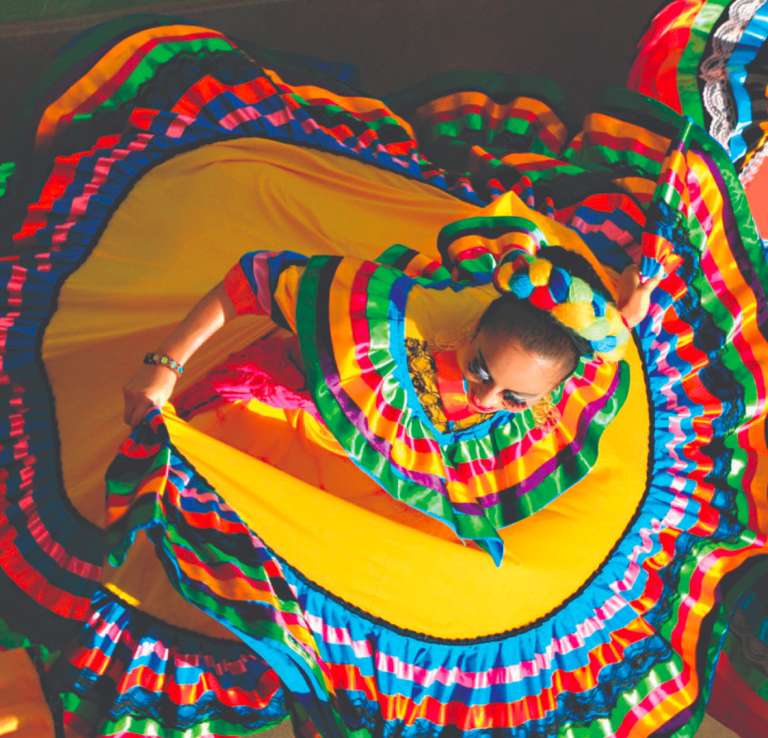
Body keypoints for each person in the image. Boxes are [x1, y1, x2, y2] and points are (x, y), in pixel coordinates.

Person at [1, 5, 766, 738]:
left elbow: (618, 322)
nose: (486, 398)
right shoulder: (385, 317)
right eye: (480, 372)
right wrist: (166, 368)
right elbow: (252, 277)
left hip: (373, 478)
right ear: (470, 328)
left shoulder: (581, 378)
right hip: (279, 402)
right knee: (201, 506)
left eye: (513, 397)